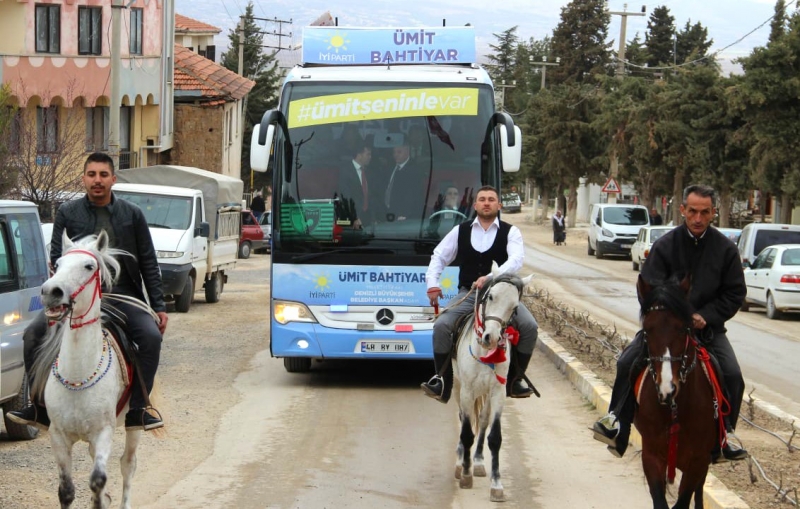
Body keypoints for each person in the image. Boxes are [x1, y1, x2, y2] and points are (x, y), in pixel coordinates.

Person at [8, 152, 168, 431]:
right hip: (76, 297)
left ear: (113, 179)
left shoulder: (133, 214)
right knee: (33, 334)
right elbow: (58, 260)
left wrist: (159, 305)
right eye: (92, 174)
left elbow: (148, 262)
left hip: (122, 296)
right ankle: (38, 407)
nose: (97, 180)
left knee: (151, 338)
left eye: (103, 175)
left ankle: (139, 409)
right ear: (84, 178)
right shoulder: (68, 213)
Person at [592, 184, 748, 462]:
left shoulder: (726, 249)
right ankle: (618, 423)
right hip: (666, 329)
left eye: (704, 212)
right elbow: (649, 289)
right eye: (692, 211)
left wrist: (706, 316)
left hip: (708, 330)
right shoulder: (664, 246)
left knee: (733, 375)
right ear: (682, 210)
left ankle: (726, 435)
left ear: (714, 212)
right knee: (627, 363)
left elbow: (735, 293)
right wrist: (674, 317)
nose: (698, 218)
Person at [421, 185, 538, 402]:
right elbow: (438, 256)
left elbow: (516, 260)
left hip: (501, 297)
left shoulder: (511, 232)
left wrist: (492, 277)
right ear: (475, 205)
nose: (486, 203)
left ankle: (515, 379)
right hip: (469, 293)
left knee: (530, 327)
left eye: (491, 199)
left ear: (499, 205)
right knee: (441, 325)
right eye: (482, 199)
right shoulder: (460, 230)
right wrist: (432, 283)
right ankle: (442, 380)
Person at [336, 138, 375, 229]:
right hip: (352, 221)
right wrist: (354, 217)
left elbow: (371, 196)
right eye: (368, 154)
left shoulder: (368, 172)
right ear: (359, 155)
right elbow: (345, 196)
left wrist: (373, 218)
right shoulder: (345, 171)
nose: (370, 157)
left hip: (367, 220)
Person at [383, 142, 428, 221]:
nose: (395, 155)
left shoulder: (415, 170)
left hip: (403, 216)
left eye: (399, 152)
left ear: (407, 152)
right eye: (394, 152)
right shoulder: (390, 166)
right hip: (387, 213)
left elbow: (414, 195)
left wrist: (406, 215)